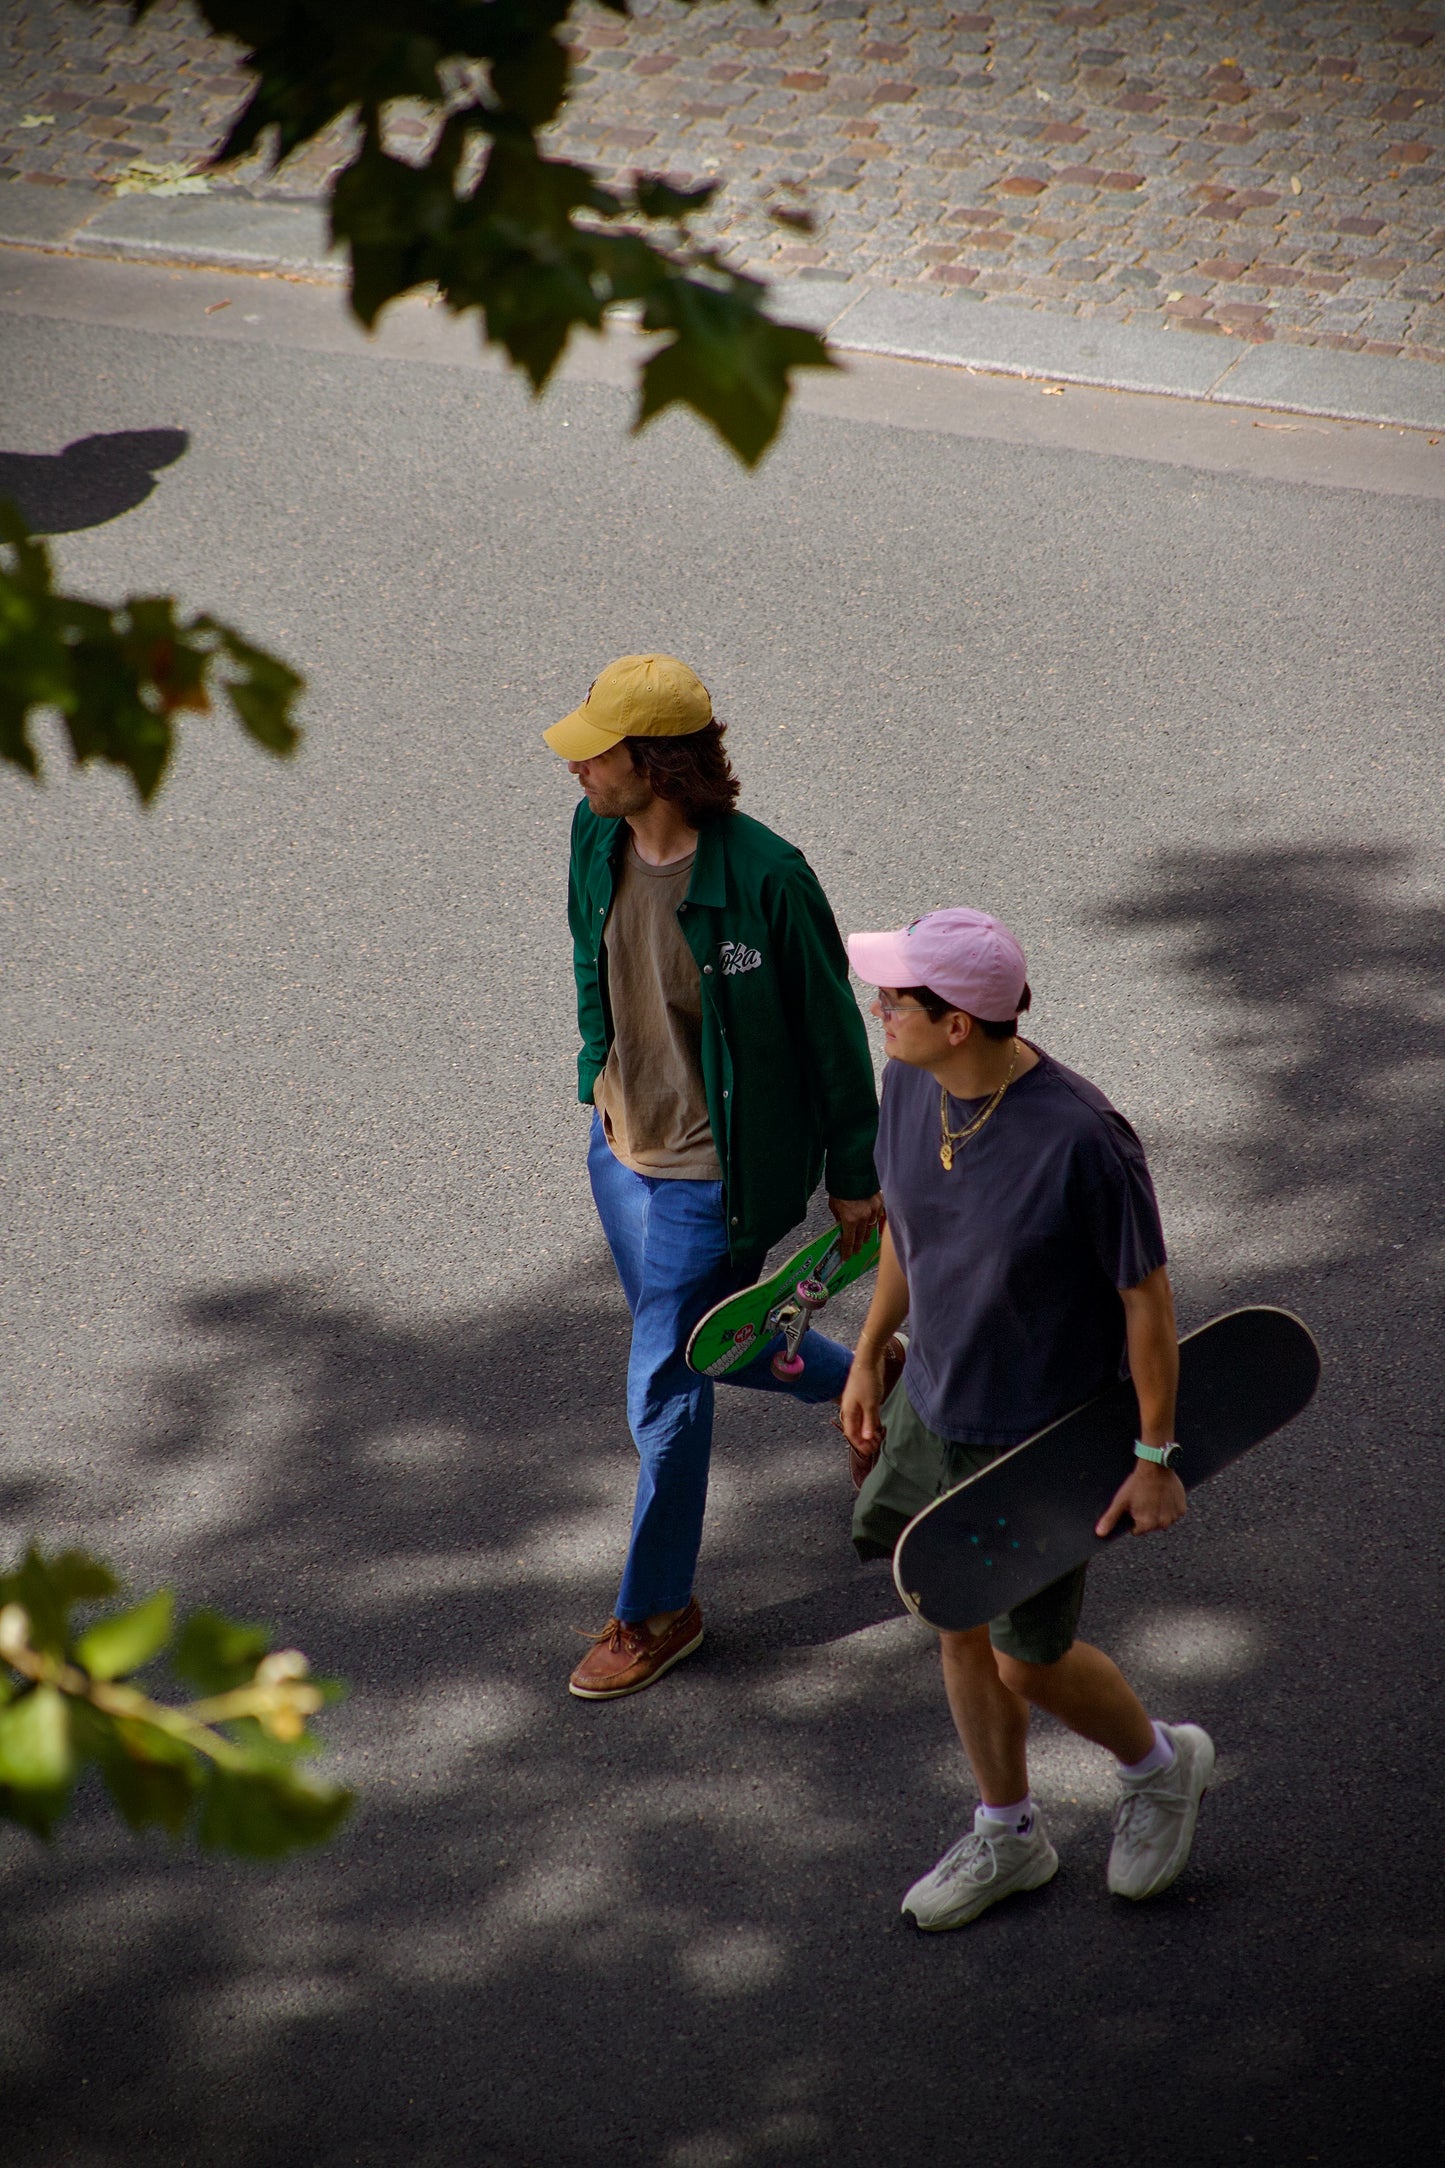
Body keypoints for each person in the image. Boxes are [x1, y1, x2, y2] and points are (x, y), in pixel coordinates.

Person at [840, 907, 1214, 1928]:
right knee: (950, 1614)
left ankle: (1154, 1762)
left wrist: (1151, 1454)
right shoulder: (908, 1085)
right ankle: (1007, 1828)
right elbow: (906, 1230)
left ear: (957, 1021)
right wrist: (871, 1351)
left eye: (896, 998)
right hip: (937, 1406)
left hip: (1037, 1437)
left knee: (1026, 1657)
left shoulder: (1082, 1140)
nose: (878, 1008)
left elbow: (1146, 1301)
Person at [545, 653, 899, 1701]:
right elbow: (585, 951)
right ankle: (871, 1380)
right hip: (620, 1150)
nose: (576, 768)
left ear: (651, 763)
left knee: (664, 1383)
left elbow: (835, 1036)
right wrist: (590, 1066)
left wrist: (854, 1175)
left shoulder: (766, 877)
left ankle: (658, 1609)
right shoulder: (592, 833)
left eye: (594, 752)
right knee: (706, 1343)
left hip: (710, 1176)